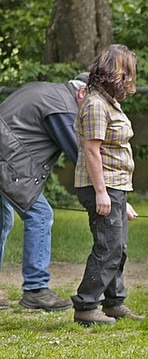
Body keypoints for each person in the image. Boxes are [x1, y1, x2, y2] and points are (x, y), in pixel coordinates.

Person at [0, 73, 89, 311]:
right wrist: (106, 193)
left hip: (5, 155)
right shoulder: (62, 108)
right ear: (82, 93)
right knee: (40, 215)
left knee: (2, 220)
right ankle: (36, 289)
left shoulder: (47, 91)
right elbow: (80, 158)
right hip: (6, 160)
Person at [71, 44, 143, 325]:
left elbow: (114, 154)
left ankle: (114, 303)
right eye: (128, 74)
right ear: (116, 73)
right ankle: (86, 306)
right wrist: (102, 193)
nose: (130, 81)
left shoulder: (109, 102)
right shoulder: (96, 105)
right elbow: (92, 151)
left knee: (119, 247)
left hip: (115, 186)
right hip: (99, 186)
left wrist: (122, 198)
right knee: (108, 247)